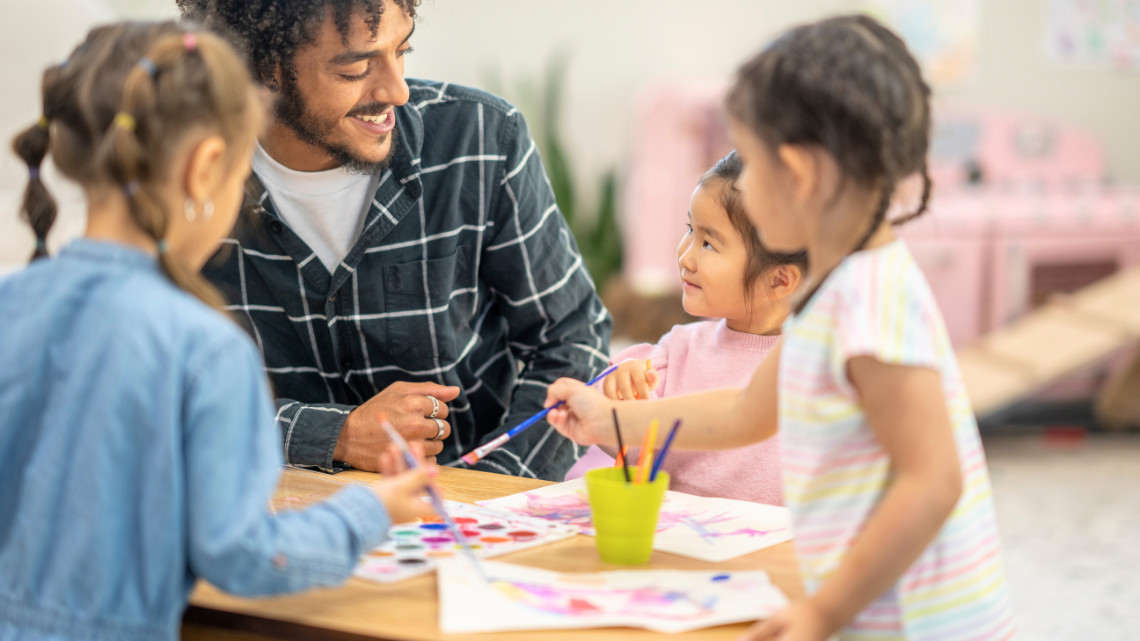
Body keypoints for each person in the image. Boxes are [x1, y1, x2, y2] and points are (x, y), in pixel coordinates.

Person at [545, 15, 1016, 641]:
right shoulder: (835, 284)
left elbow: (932, 481)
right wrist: (609, 421)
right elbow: (745, 411)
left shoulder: (870, 298)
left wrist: (823, 612)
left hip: (919, 624)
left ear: (798, 174)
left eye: (754, 165)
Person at [0, 22, 437, 641]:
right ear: (206, 168)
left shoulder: (9, 301)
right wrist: (372, 510)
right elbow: (245, 555)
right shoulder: (202, 346)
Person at [176, 0, 611, 480]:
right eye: (357, 67)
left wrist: (497, 493)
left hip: (474, 524)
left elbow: (573, 341)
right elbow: (168, 398)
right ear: (264, 67)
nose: (396, 90)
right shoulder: (186, 175)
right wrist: (336, 435)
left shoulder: (482, 139)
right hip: (277, 525)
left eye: (402, 50)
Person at [567, 151, 805, 504]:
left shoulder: (815, 369)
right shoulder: (677, 351)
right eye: (690, 230)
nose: (685, 257)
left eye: (708, 243)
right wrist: (617, 390)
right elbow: (620, 442)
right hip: (680, 546)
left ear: (779, 280)